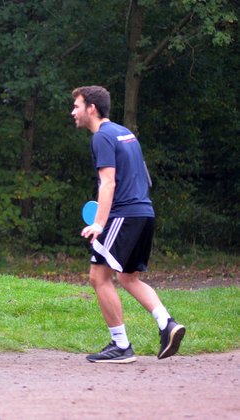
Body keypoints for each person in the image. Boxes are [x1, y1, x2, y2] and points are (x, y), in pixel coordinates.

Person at [71, 85, 185, 363]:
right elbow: (143, 178)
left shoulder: (101, 138)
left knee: (99, 277)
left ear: (92, 108)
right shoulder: (126, 134)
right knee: (128, 277)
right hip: (144, 212)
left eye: (76, 106)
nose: (73, 112)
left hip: (123, 215)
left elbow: (108, 182)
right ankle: (167, 324)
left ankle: (120, 345)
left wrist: (99, 224)